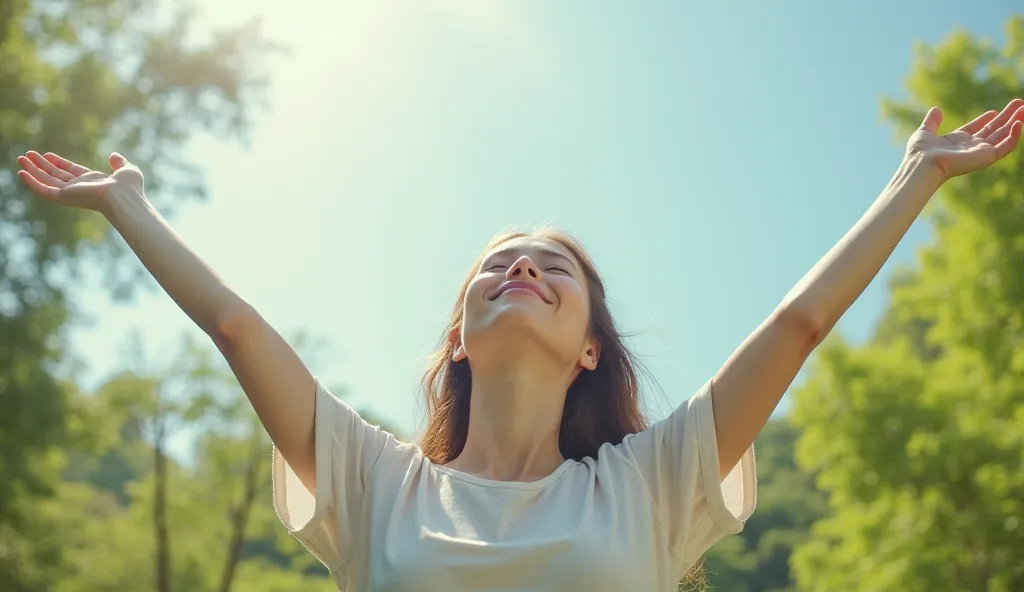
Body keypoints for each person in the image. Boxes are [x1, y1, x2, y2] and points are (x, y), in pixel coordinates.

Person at [16, 100, 1024, 591]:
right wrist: (128, 207)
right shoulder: (376, 484)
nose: (521, 271)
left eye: (555, 268)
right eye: (497, 265)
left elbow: (798, 326)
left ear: (590, 346)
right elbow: (237, 329)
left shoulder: (649, 480)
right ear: (459, 333)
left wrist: (915, 181)